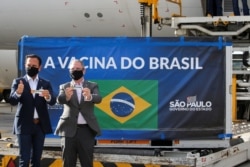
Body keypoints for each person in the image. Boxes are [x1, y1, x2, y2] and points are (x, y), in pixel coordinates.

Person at [9, 54, 56, 167]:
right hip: (24, 125)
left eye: (34, 65)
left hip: (39, 126)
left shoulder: (45, 83)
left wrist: (47, 96)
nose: (31, 67)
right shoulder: (18, 82)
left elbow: (52, 101)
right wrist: (18, 93)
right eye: (28, 65)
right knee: (24, 159)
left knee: (37, 159)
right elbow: (12, 101)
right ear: (25, 65)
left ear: (40, 67)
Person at [54, 59, 102, 167]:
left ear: (84, 70)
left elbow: (98, 98)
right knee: (68, 163)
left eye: (78, 69)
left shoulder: (92, 86)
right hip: (68, 131)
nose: (75, 71)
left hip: (86, 131)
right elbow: (59, 100)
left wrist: (90, 96)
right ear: (69, 71)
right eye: (72, 69)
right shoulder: (65, 86)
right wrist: (66, 96)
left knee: (87, 163)